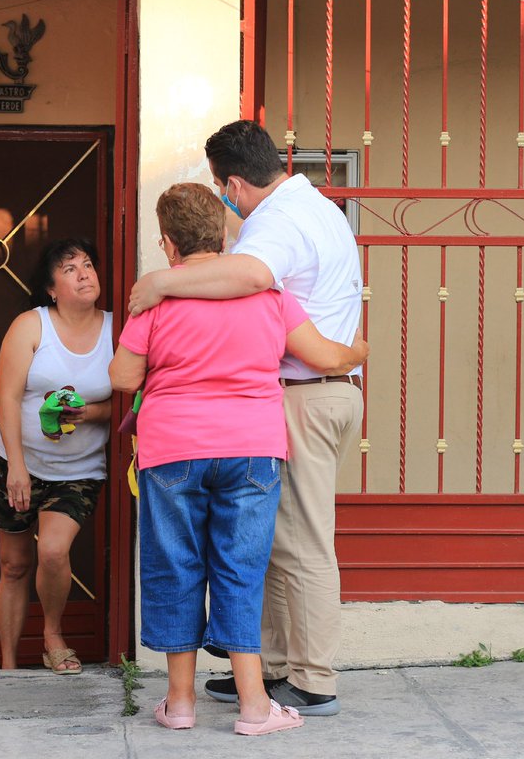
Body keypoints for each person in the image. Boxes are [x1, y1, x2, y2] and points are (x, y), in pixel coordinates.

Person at [110, 183, 367, 735]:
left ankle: (180, 704)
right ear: (226, 238)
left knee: (175, 566)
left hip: (173, 449)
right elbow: (323, 355)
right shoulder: (271, 297)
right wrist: (359, 351)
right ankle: (255, 706)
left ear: (168, 243)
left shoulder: (156, 299)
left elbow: (123, 377)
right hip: (252, 449)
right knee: (241, 568)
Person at [0, 237, 113, 674]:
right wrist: (16, 467)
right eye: (70, 269)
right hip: (17, 462)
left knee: (53, 552)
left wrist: (90, 412)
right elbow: (7, 397)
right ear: (52, 289)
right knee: (13, 565)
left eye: (87, 265)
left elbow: (132, 402)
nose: (84, 274)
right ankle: (8, 665)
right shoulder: (31, 325)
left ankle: (53, 636)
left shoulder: (118, 330)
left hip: (78, 470)